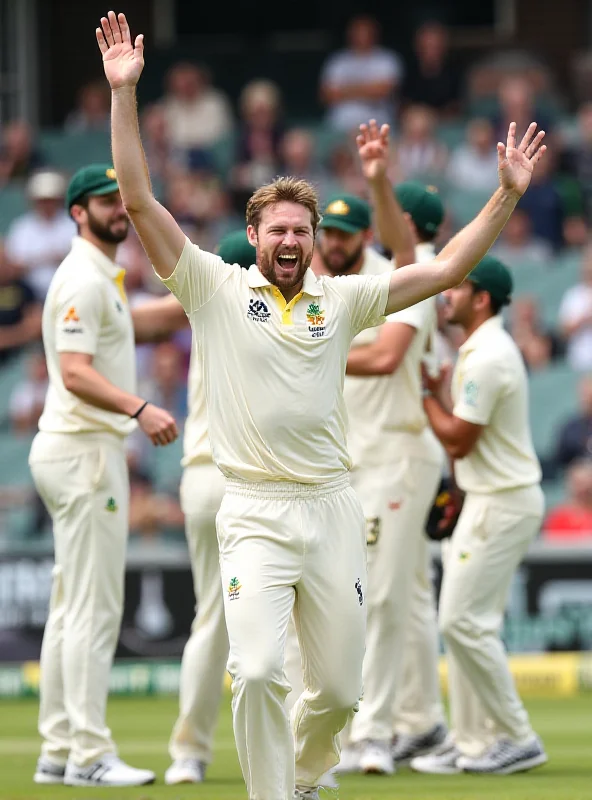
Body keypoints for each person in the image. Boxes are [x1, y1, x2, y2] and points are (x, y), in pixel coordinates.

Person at [96, 12, 546, 798]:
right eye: (278, 230)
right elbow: (137, 199)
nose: (292, 241)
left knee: (339, 692)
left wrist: (506, 198)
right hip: (256, 510)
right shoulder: (214, 285)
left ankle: (302, 778)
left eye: (302, 229)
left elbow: (441, 274)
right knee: (262, 670)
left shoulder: (341, 299)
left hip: (333, 507)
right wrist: (124, 95)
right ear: (253, 233)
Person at [29, 163, 178, 787]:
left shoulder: (102, 278)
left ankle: (60, 749)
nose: (118, 209)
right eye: (102, 200)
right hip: (86, 452)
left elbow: (141, 323)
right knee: (93, 610)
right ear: (75, 213)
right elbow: (75, 371)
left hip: (76, 451)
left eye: (121, 199)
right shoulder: (82, 279)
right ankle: (89, 753)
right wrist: (140, 408)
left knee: (71, 607)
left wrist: (208, 294)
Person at [295, 183, 447, 777]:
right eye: (325, 233)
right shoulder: (316, 290)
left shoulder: (398, 276)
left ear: (368, 234)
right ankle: (422, 720)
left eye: (343, 233)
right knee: (406, 598)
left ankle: (374, 730)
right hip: (352, 458)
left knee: (379, 597)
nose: (332, 243)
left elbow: (385, 358)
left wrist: (308, 348)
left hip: (396, 452)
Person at [414, 255, 548, 775]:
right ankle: (472, 740)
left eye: (459, 287)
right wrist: (442, 393)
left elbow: (459, 439)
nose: (448, 293)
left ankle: (517, 737)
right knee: (472, 623)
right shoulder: (482, 349)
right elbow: (467, 432)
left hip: (501, 500)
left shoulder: (490, 355)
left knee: (462, 620)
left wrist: (426, 395)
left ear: (482, 298)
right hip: (490, 497)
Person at [131, 230, 255, 785]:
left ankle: (189, 752)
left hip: (202, 476)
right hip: (256, 480)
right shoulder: (280, 308)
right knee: (296, 619)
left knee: (213, 618)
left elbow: (136, 321)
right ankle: (306, 754)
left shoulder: (202, 305)